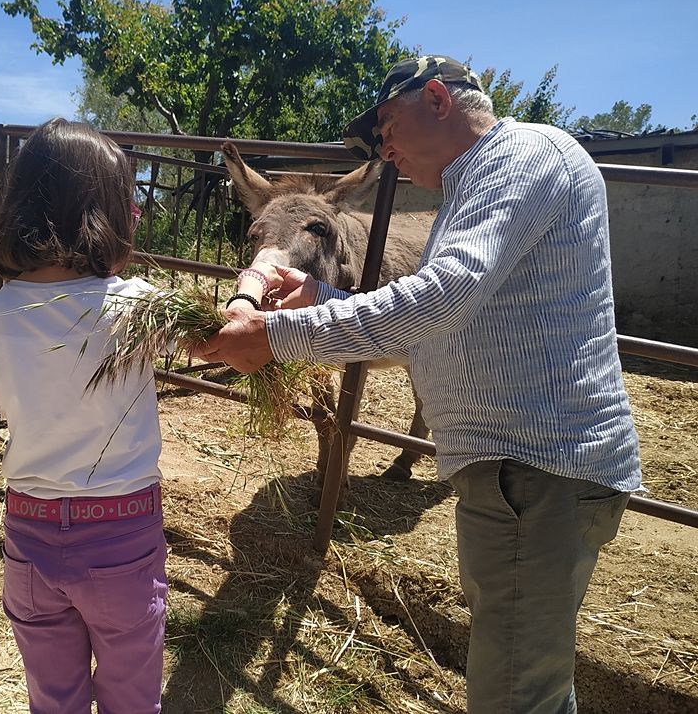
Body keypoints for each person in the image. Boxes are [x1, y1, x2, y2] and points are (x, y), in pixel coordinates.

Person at [196, 55, 642, 714]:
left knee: (513, 694)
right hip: (517, 473)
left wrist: (275, 337)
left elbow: (442, 298)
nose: (384, 149)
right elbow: (441, 320)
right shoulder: (473, 187)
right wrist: (316, 294)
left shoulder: (519, 157)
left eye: (386, 126)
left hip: (537, 472)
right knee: (530, 679)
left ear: (436, 99)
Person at [0, 118, 167, 714]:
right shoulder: (139, 306)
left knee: (54, 702)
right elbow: (221, 345)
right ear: (112, 211)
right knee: (132, 701)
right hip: (124, 542)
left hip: (31, 544)